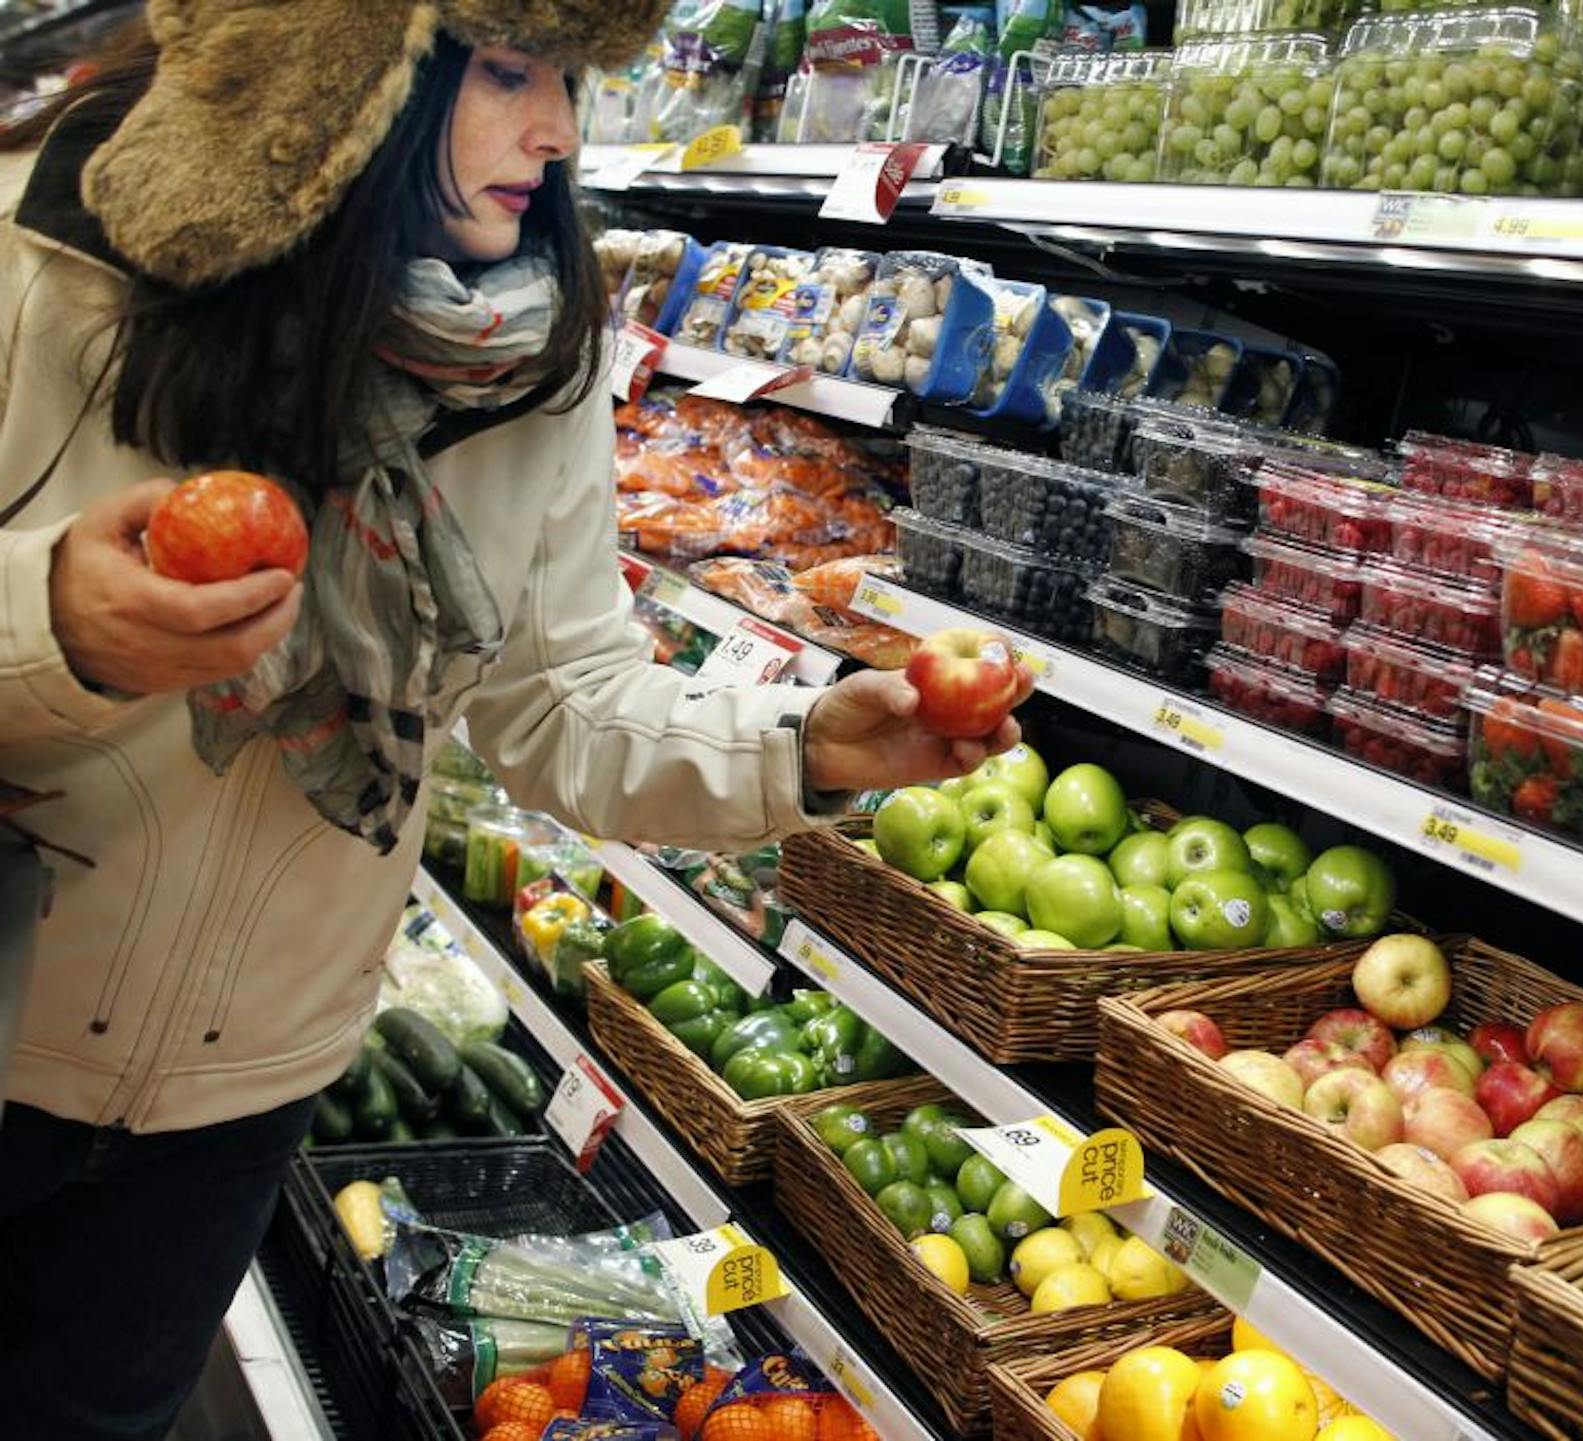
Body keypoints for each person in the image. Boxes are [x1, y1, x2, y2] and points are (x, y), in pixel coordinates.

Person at [0, 4, 1021, 1435]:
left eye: (568, 83)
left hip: (238, 1098)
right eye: (504, 72)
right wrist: (55, 624)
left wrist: (798, 745)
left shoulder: (530, 361)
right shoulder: (49, 267)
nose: (556, 130)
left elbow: (563, 699)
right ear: (347, 74)